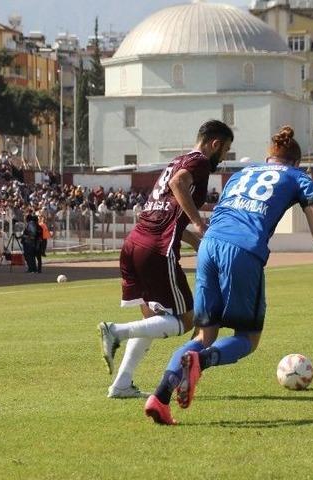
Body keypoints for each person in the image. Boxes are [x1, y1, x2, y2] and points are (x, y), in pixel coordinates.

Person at [144, 126, 313, 425]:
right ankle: (202, 361)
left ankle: (160, 397)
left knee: (203, 335)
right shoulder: (299, 178)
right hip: (244, 249)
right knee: (248, 338)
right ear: (296, 163)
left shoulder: (241, 174)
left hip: (210, 245)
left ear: (268, 158)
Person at [97, 120, 233, 399]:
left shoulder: (177, 160)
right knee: (185, 320)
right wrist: (198, 222)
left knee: (152, 319)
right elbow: (178, 183)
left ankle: (122, 384)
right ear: (215, 144)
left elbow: (167, 214)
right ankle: (116, 332)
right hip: (156, 249)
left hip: (135, 243)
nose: (224, 157)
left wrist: (196, 241)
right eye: (226, 150)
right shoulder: (199, 163)